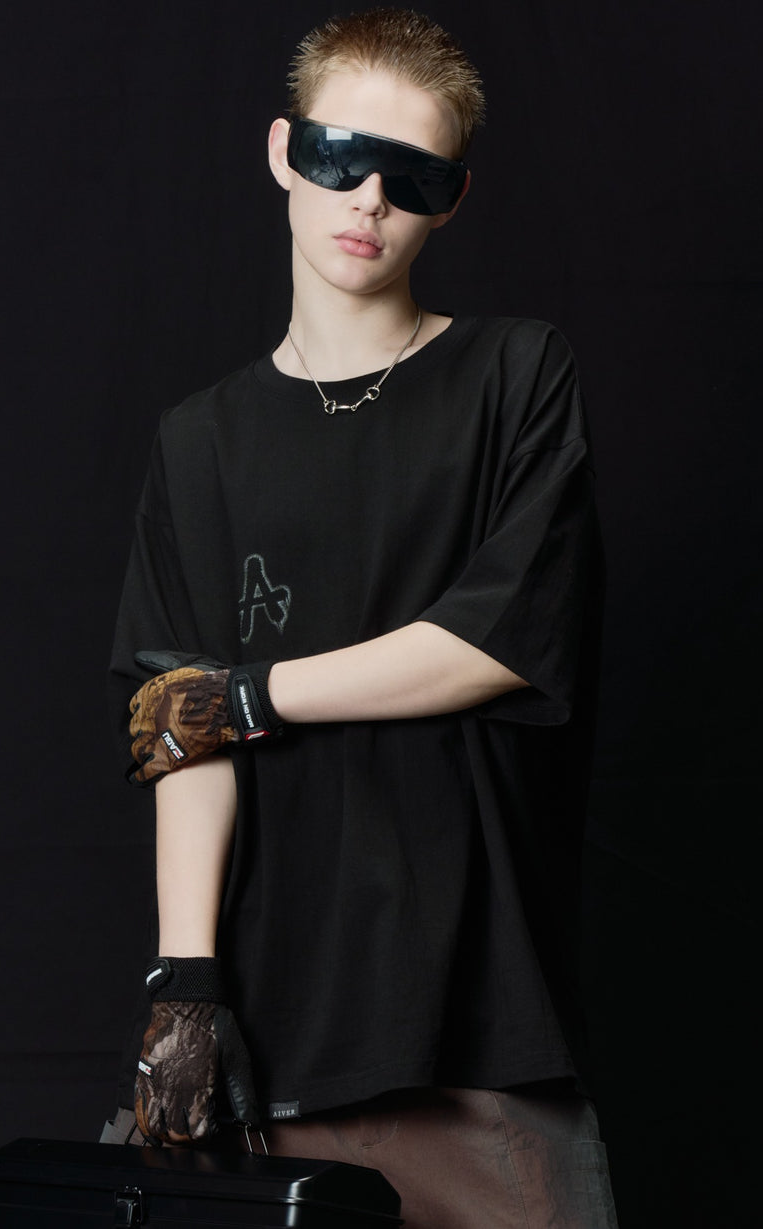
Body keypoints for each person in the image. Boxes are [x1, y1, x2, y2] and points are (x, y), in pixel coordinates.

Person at [102, 9, 619, 1227]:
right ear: (283, 151)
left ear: (452, 201)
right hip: (265, 1021)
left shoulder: (514, 374)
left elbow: (495, 641)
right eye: (340, 156)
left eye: (413, 175)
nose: (368, 198)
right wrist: (186, 986)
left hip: (476, 1013)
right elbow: (175, 731)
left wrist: (248, 693)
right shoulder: (199, 441)